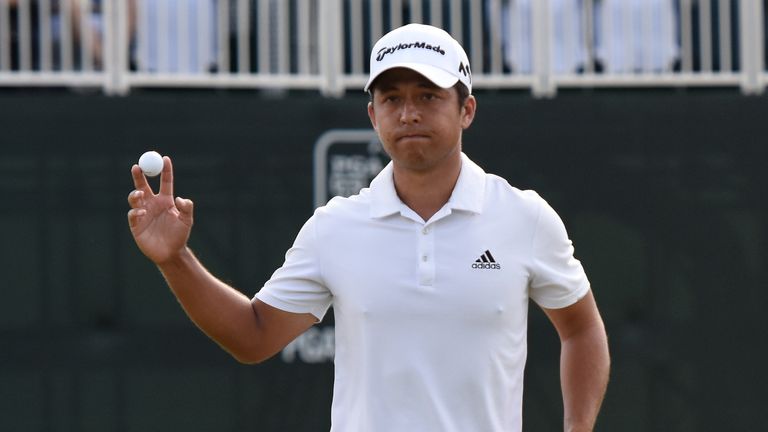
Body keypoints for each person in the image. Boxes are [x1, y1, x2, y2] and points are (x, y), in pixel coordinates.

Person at [127, 23, 610, 432]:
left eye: (428, 95)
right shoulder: (335, 228)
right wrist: (175, 259)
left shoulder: (524, 217)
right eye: (392, 98)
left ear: (467, 110)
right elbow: (253, 336)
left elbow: (582, 329)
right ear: (372, 115)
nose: (409, 113)